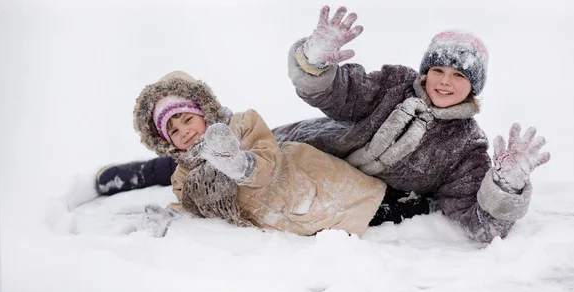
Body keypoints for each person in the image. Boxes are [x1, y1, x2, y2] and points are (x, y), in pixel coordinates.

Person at [99, 6, 550, 243]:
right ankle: (151, 170)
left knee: (231, 173)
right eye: (439, 71)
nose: (445, 82)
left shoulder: (465, 148)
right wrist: (315, 63)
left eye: (459, 76)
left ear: (473, 87)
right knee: (214, 153)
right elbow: (340, 94)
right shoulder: (394, 85)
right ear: (426, 70)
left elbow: (481, 224)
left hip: (342, 192)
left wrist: (506, 188)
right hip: (302, 151)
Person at [132, 70, 430, 237]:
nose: (184, 130)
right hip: (285, 216)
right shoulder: (185, 175)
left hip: (305, 180)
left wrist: (237, 163)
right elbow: (191, 203)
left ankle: (415, 201)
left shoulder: (242, 124)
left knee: (374, 205)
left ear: (202, 112)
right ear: (166, 141)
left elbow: (266, 164)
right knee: (341, 225)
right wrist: (169, 217)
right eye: (173, 130)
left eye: (187, 119)